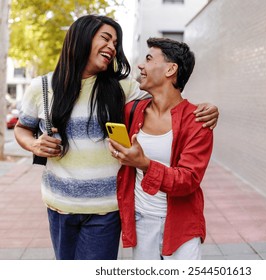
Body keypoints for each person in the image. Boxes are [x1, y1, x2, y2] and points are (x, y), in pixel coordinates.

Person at [14, 15, 219, 260]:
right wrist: (34, 144)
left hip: (106, 209)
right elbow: (22, 129)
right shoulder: (42, 88)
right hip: (59, 204)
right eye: (106, 38)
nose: (112, 47)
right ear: (82, 37)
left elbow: (166, 102)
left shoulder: (123, 87)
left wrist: (207, 109)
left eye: (115, 42)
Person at [108, 37, 213, 259]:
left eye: (148, 58)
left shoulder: (197, 121)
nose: (140, 65)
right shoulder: (131, 110)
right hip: (141, 220)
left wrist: (144, 164)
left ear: (170, 69)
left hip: (181, 226)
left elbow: (188, 180)